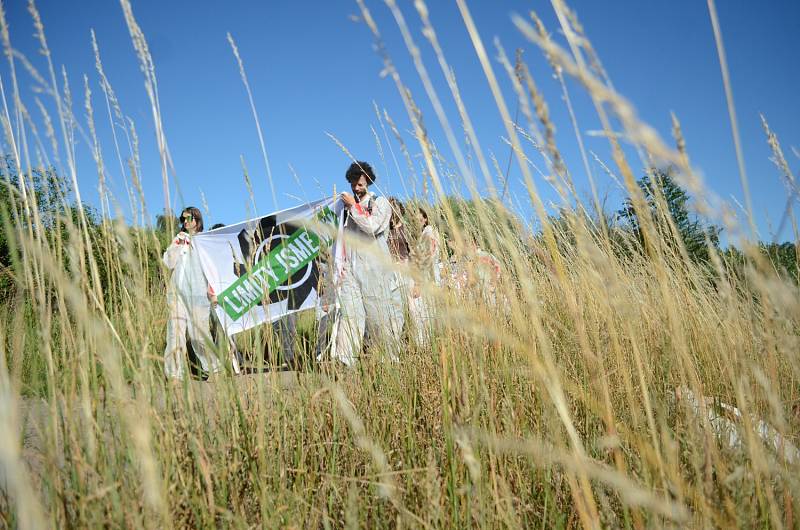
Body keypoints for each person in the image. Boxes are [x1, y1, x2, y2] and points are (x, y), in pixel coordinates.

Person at [333, 161, 404, 365]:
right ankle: (346, 363)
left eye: (360, 184)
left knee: (379, 320)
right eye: (353, 184)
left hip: (375, 270)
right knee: (350, 316)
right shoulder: (344, 207)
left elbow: (372, 226)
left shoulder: (380, 204)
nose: (356, 188)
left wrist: (352, 207)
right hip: (350, 270)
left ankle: (388, 362)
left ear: (368, 182)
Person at [162, 207, 222, 381]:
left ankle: (214, 370)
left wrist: (213, 292)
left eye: (189, 218)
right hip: (176, 295)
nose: (185, 222)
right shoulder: (178, 239)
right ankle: (174, 374)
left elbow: (211, 268)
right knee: (175, 334)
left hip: (197, 295)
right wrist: (175, 245)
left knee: (199, 334)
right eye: (183, 219)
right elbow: (168, 263)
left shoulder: (204, 240)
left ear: (197, 219)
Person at [408, 207, 442, 347]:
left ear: (425, 218)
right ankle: (426, 346)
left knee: (420, 316)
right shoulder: (427, 234)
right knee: (426, 316)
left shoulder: (428, 234)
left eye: (419, 218)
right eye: (414, 219)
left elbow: (426, 259)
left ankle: (423, 348)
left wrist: (418, 283)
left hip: (424, 281)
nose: (417, 221)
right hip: (430, 281)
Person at [387, 197, 410, 263]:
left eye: (394, 207)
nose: (392, 209)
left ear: (400, 210)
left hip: (403, 263)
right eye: (389, 207)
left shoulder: (406, 228)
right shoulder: (385, 229)